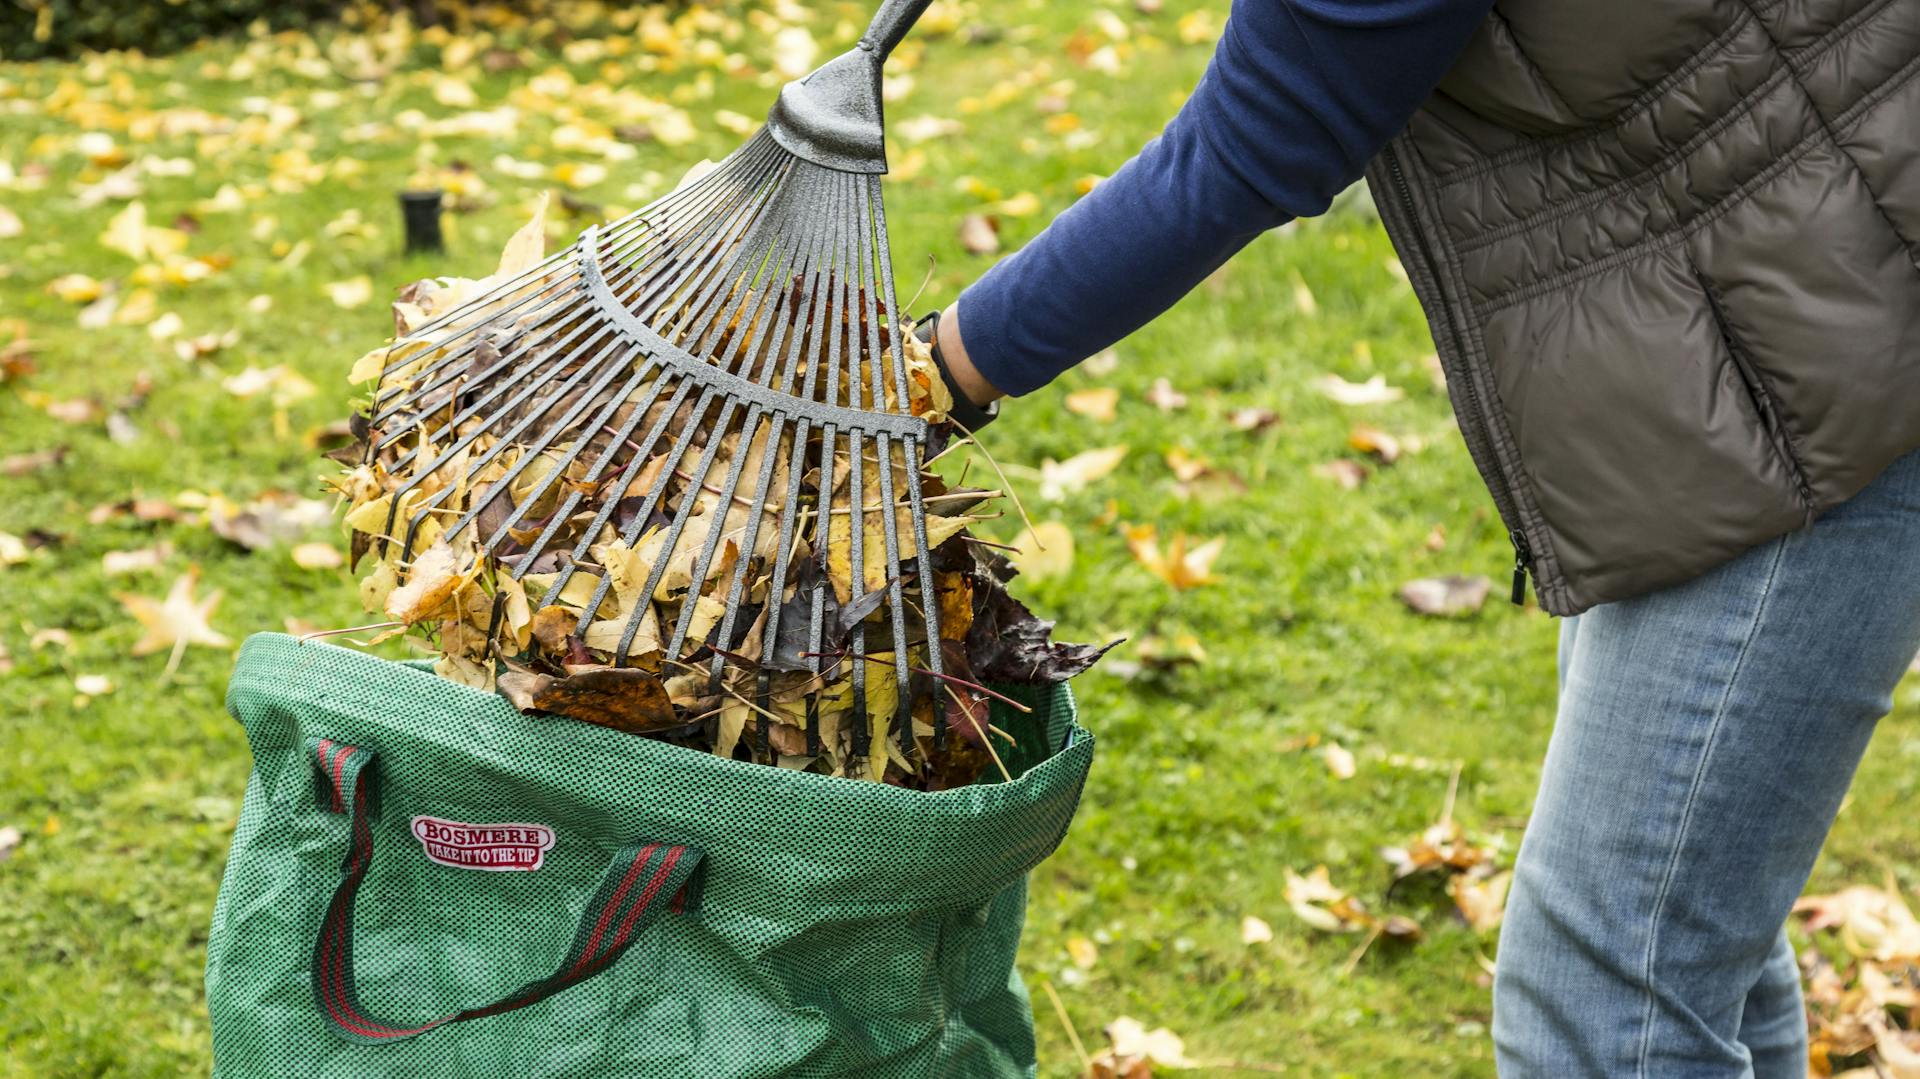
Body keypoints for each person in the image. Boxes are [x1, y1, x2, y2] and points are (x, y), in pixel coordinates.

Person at [912, 1, 1920, 1076]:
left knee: (1609, 983)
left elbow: (1266, 129)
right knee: (1691, 927)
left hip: (1824, 348)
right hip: (1756, 320)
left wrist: (937, 373)